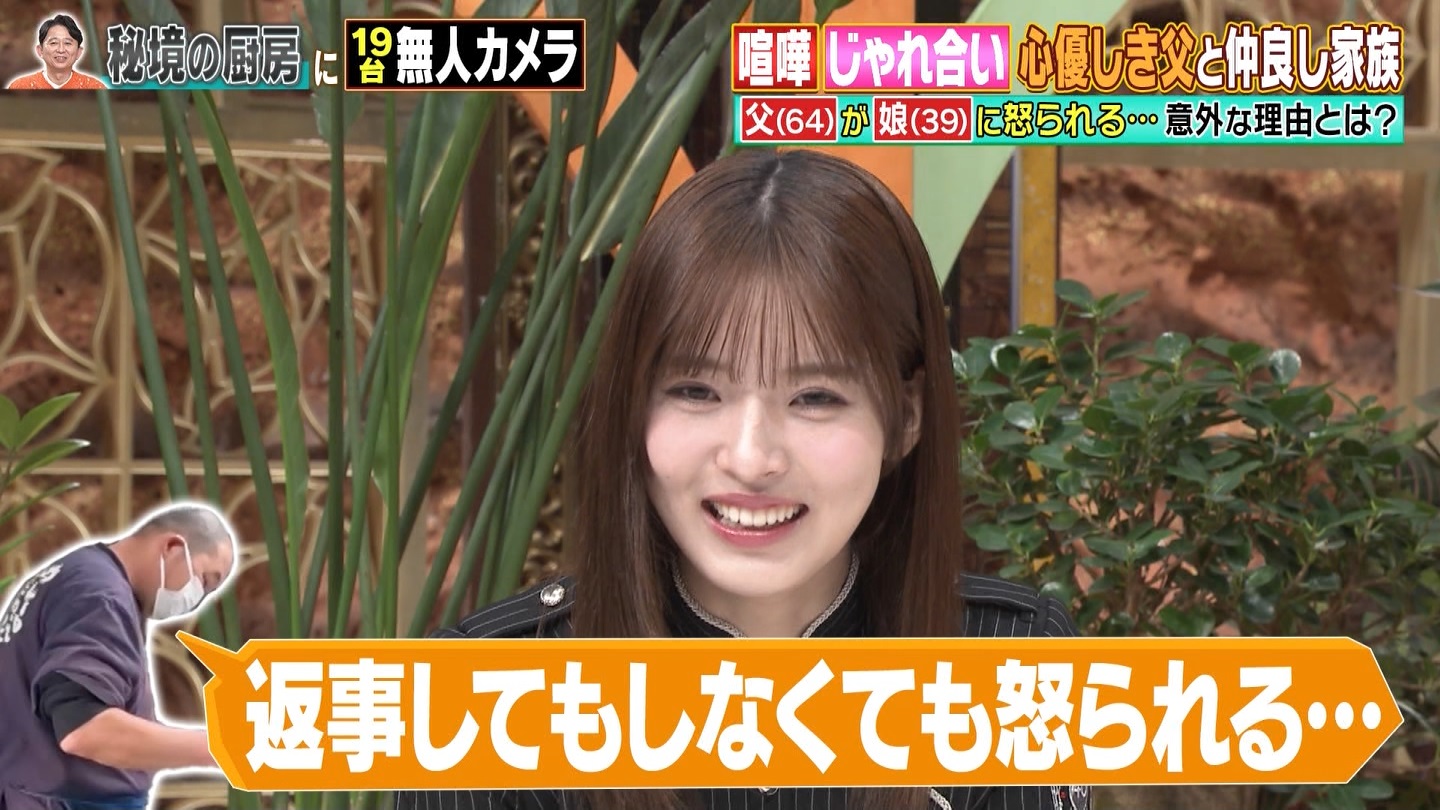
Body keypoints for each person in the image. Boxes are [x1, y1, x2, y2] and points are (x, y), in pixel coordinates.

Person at [394, 149, 1090, 810]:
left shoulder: (1014, 665)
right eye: (697, 391)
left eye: (815, 397)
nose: (752, 460)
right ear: (632, 405)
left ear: (906, 417)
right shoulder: (480, 698)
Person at [0, 501, 238, 810]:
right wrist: (227, 745)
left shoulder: (79, 573)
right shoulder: (100, 595)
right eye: (204, 580)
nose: (197, 600)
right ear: (172, 547)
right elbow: (85, 729)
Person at [6, 14, 107, 90]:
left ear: (78, 52)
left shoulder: (95, 87)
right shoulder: (20, 86)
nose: (61, 50)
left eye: (67, 43)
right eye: (54, 43)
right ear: (40, 50)